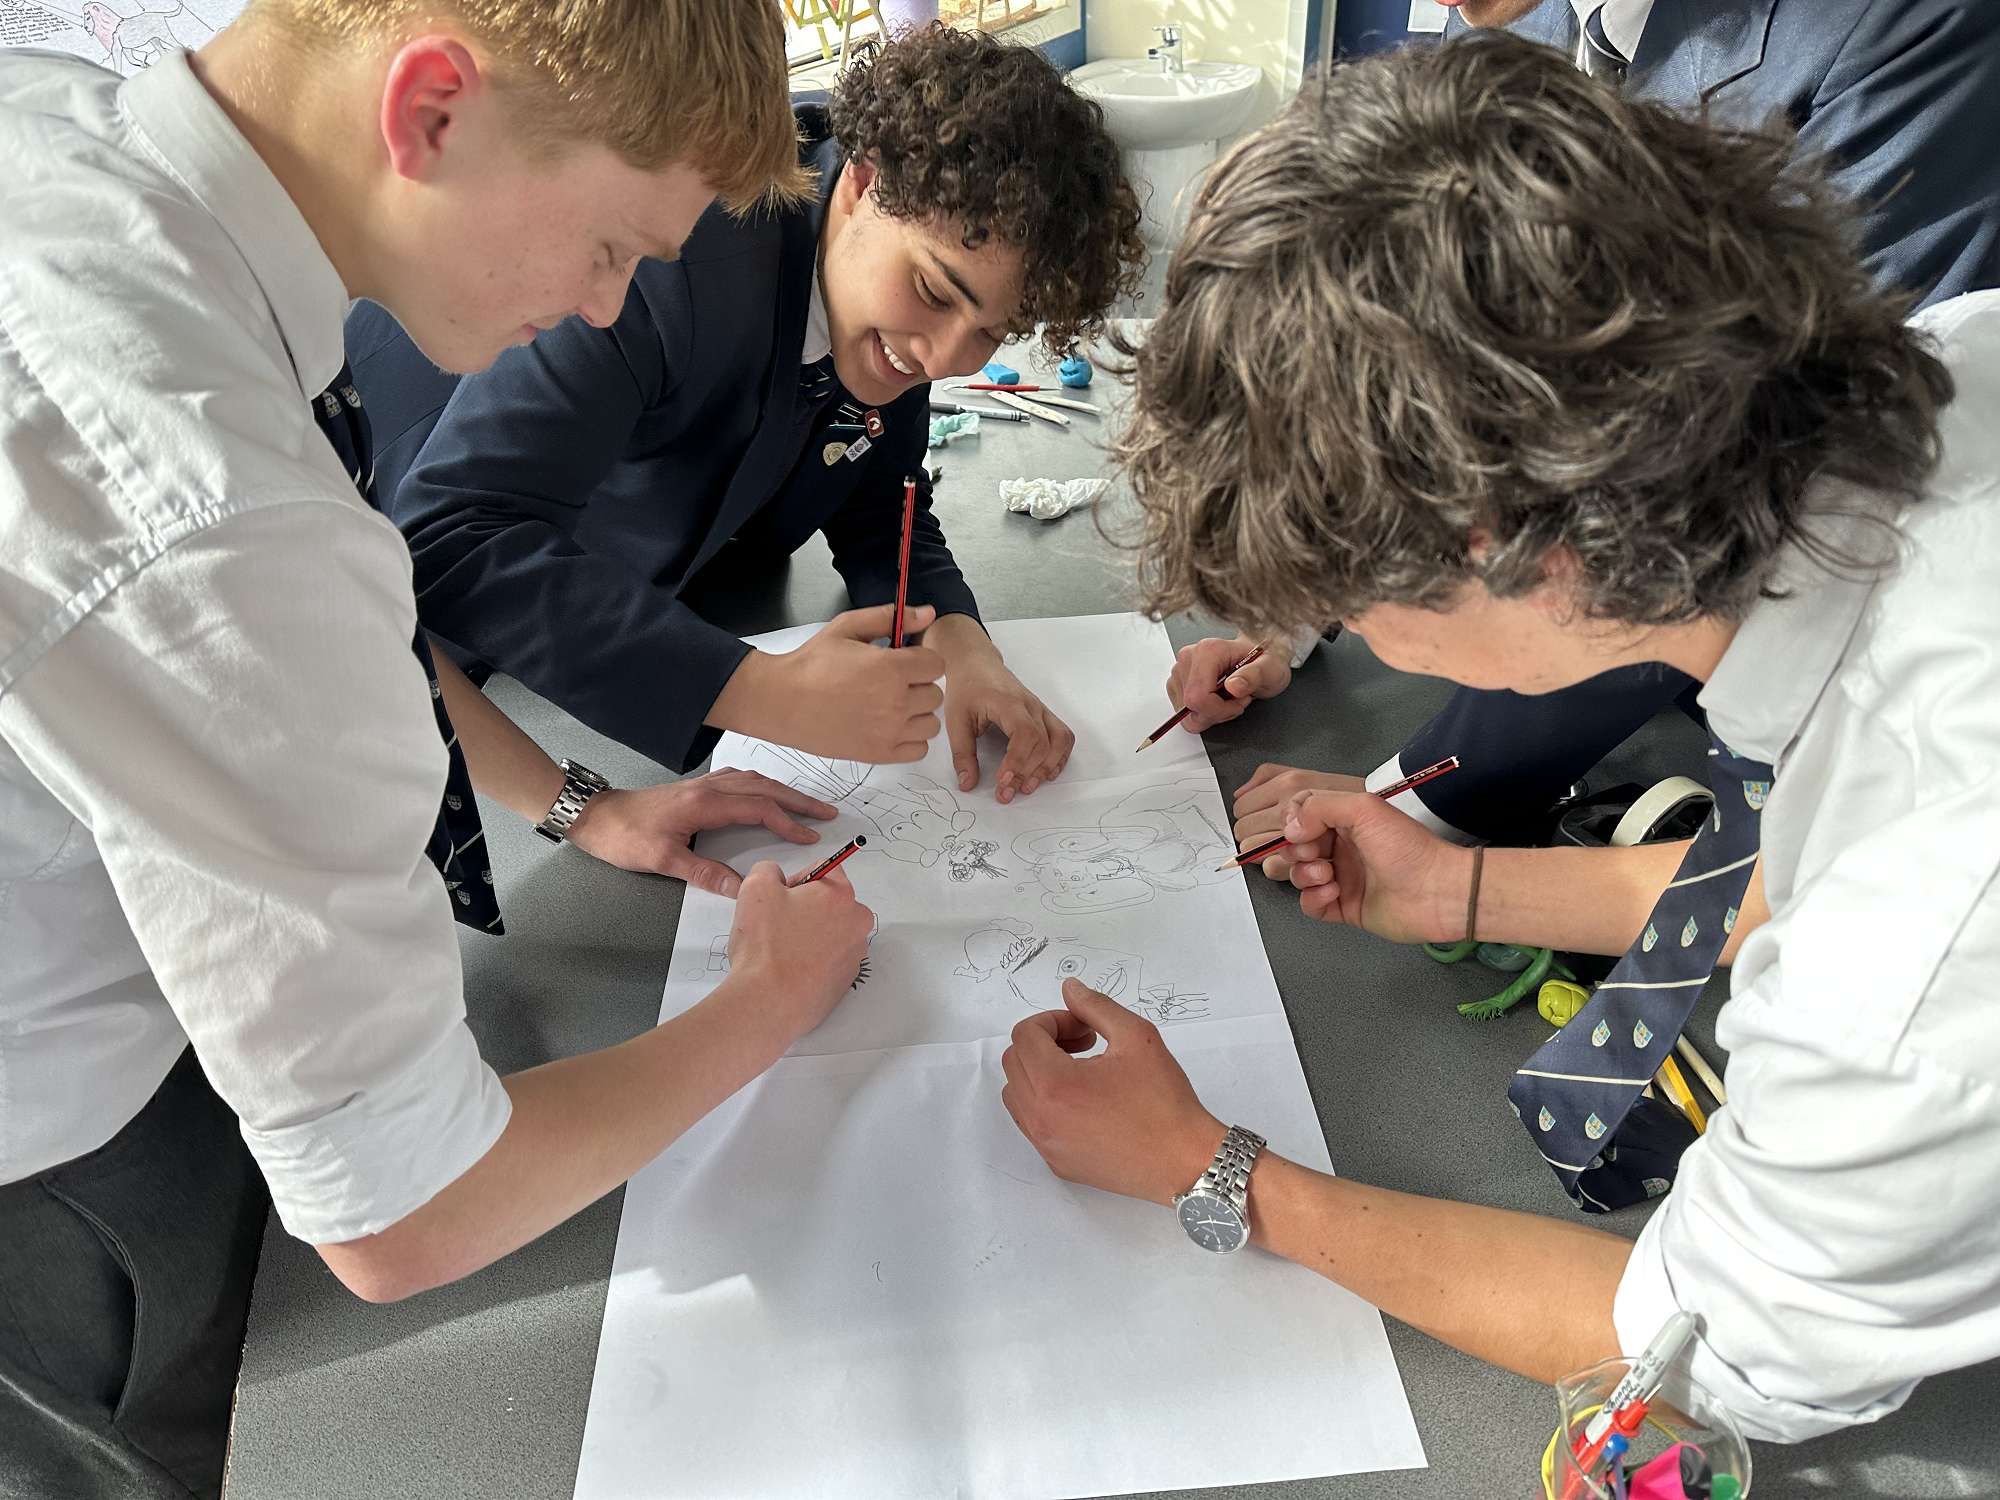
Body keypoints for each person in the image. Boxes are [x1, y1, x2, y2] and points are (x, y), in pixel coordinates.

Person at [1002, 36, 2000, 1441]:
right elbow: (1806, 870)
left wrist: (1209, 1168)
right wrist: (1459, 888)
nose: (1356, 635)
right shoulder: (1951, 369)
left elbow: (1703, 1359)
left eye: (1348, 600)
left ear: (1511, 552)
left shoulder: (1930, 909)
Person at [0, 4, 876, 1496]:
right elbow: (404, 1213)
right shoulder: (216, 510)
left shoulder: (67, 125)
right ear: (432, 111)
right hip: (60, 1166)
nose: (608, 307)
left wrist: (578, 801)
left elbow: (257, 674)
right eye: (611, 247)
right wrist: (768, 1001)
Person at [1172, 0, 2000, 848]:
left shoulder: (1895, 28)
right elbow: (1411, 357)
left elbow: (1750, 472)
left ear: (1490, 537)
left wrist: (1424, 792)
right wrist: (1292, 604)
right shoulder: (1496, 17)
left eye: (1356, 579)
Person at [345, 24, 1145, 806]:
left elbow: (879, 496)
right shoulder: (666, 259)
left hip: (628, 605)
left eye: (990, 334)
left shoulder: (891, 307)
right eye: (935, 293)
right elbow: (453, 536)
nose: (941, 360)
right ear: (864, 183)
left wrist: (958, 641)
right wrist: (753, 690)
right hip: (401, 634)